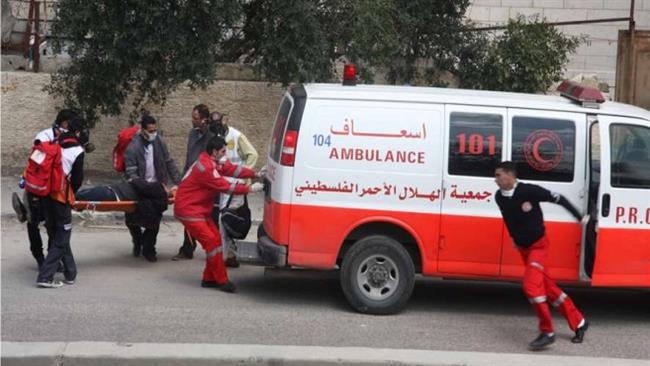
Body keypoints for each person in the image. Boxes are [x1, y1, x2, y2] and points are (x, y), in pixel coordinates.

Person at [494, 161, 589, 350]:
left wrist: (580, 217)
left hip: (539, 247)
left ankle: (547, 331)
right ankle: (579, 322)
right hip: (524, 250)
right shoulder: (499, 197)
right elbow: (509, 219)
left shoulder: (529, 191)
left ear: (510, 175)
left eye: (498, 175)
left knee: (531, 286)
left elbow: (558, 198)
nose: (495, 179)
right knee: (549, 288)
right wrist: (514, 238)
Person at [173, 136, 263, 293]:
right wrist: (250, 189)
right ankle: (221, 281)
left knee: (215, 242)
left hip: (199, 208)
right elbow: (225, 186)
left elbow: (232, 169)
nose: (225, 153)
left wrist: (255, 174)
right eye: (223, 151)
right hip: (189, 209)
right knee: (212, 243)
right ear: (214, 152)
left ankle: (209, 278)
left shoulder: (212, 161)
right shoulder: (206, 168)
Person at [12, 109, 78, 269]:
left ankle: (52, 258)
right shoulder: (43, 137)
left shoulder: (69, 139)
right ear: (62, 123)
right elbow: (36, 161)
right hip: (39, 186)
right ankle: (39, 257)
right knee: (33, 222)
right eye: (68, 124)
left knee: (53, 224)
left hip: (55, 187)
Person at [36, 117, 86, 288]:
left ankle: (71, 273)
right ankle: (45, 276)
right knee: (62, 236)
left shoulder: (54, 142)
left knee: (56, 234)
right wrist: (71, 194)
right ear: (78, 132)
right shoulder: (78, 150)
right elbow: (77, 180)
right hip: (60, 197)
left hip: (44, 195)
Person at [123, 115, 181, 262]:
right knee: (132, 218)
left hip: (157, 186)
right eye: (150, 131)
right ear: (143, 130)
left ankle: (149, 249)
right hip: (139, 186)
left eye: (155, 130)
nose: (153, 133)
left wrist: (180, 182)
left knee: (155, 218)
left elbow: (168, 162)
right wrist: (143, 187)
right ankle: (137, 240)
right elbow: (131, 173)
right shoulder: (132, 147)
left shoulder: (159, 142)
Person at [210, 111, 259, 267]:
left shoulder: (236, 136)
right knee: (225, 219)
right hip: (222, 184)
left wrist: (244, 174)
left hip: (235, 185)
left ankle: (226, 256)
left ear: (226, 121)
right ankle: (228, 254)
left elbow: (253, 155)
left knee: (226, 219)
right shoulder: (214, 137)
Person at [172, 104, 217, 261]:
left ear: (204, 120)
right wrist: (182, 180)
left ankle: (213, 247)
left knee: (206, 217)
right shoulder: (192, 134)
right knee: (190, 216)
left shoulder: (211, 136)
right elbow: (189, 157)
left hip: (204, 183)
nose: (193, 121)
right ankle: (187, 248)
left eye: (196, 118)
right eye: (192, 117)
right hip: (190, 181)